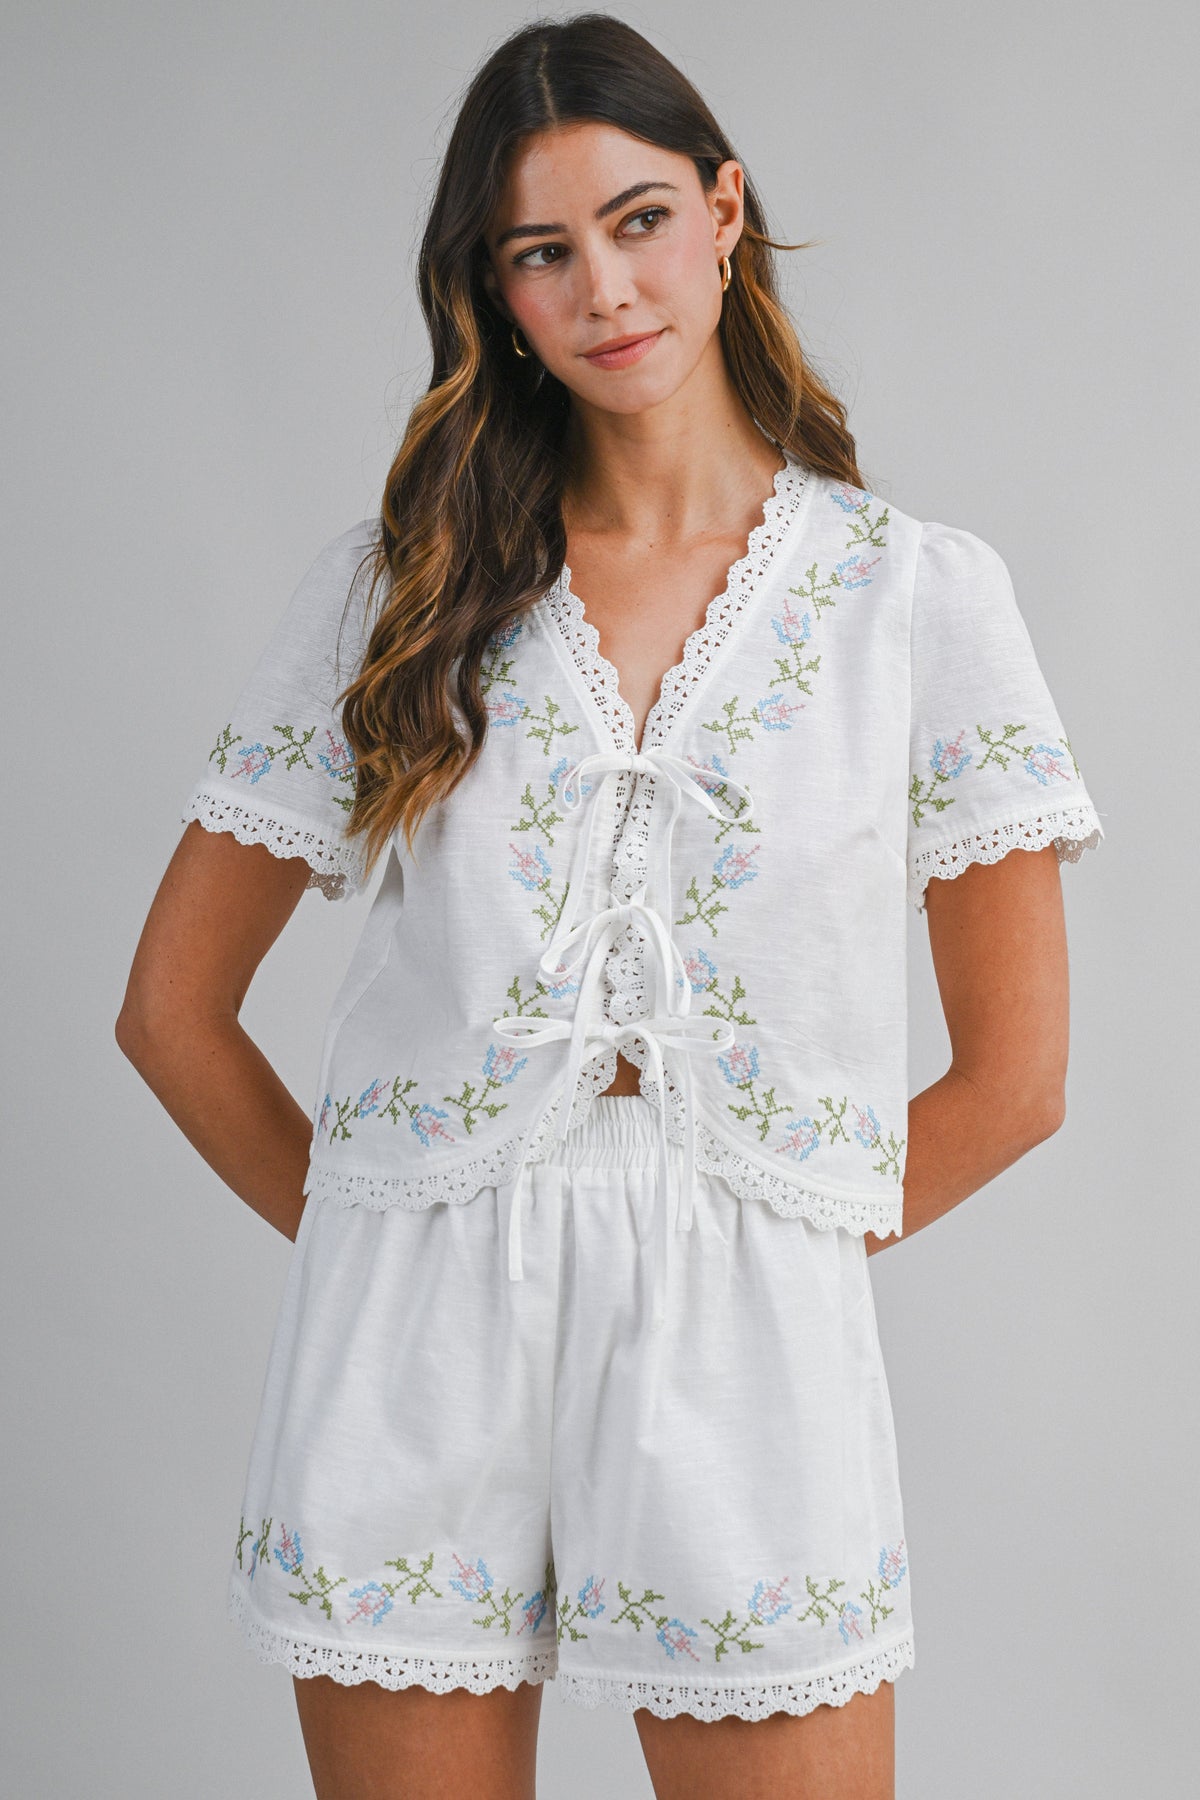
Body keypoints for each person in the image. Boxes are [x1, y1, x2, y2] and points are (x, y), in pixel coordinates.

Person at [116, 13, 1105, 1798]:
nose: (606, 288)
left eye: (640, 221)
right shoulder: (403, 589)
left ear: (726, 216)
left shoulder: (915, 601)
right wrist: (388, 1246)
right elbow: (172, 1014)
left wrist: (758, 1240)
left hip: (748, 1343)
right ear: (494, 294)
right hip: (411, 1343)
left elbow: (1018, 1081)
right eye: (542, 251)